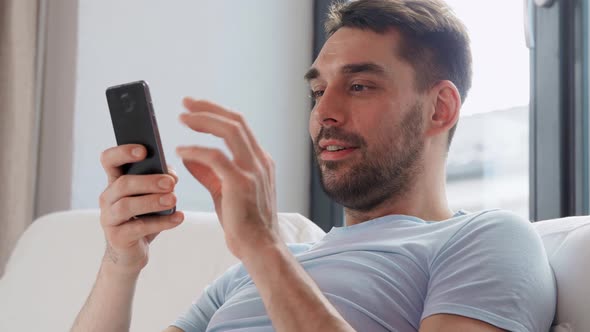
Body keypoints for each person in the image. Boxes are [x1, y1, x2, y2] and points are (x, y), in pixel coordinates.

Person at [71, 0, 556, 331]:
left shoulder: (487, 239)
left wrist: (262, 247)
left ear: (440, 109)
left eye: (360, 85)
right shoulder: (252, 274)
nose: (324, 113)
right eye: (318, 91)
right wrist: (123, 260)